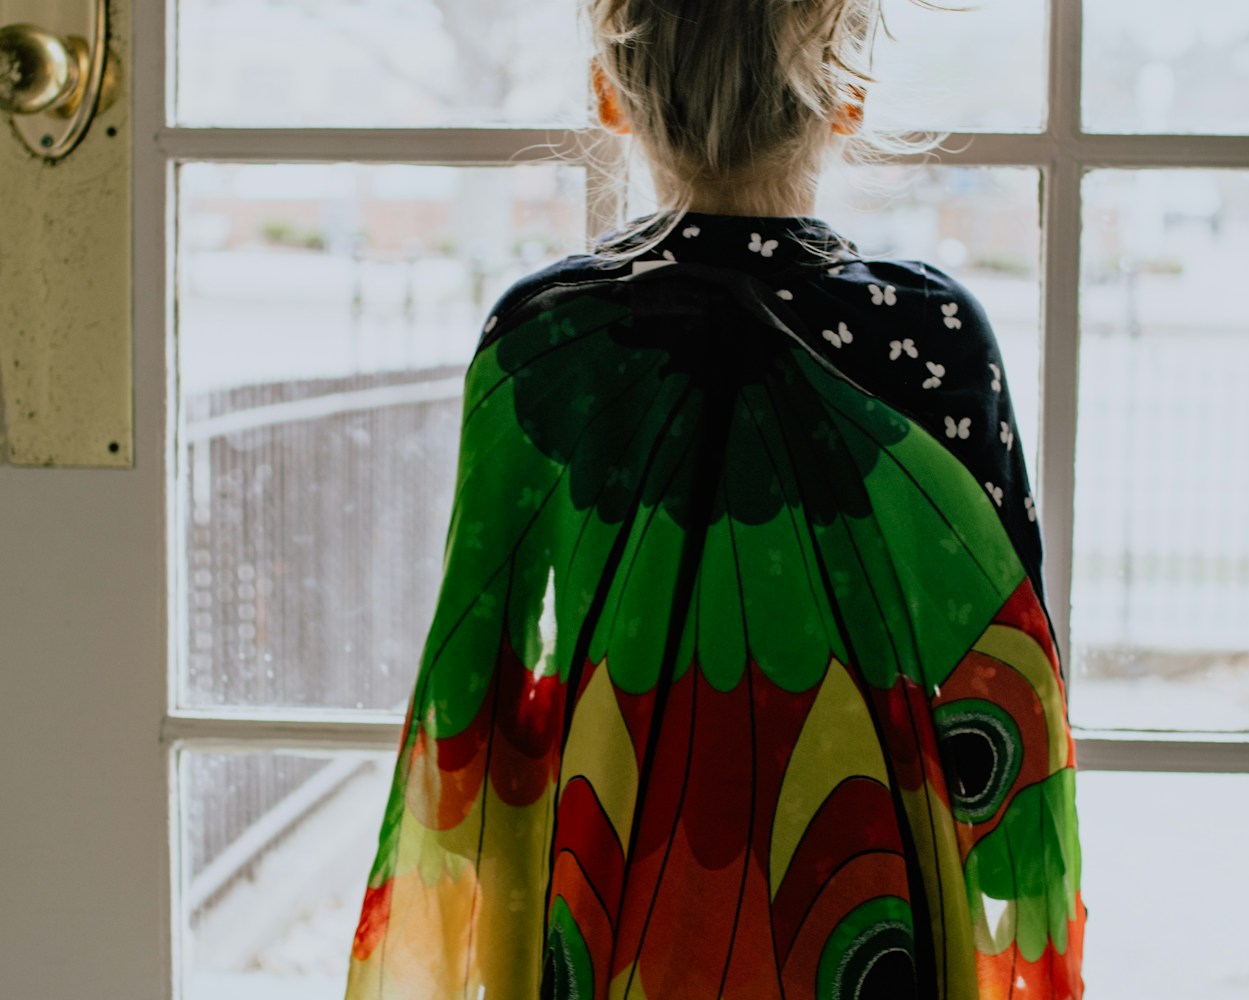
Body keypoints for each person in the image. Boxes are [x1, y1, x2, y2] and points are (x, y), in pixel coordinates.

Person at [344, 1, 1085, 997]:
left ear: (610, 95)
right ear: (847, 99)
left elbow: (477, 673)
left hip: (612, 850)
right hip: (863, 859)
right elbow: (1009, 658)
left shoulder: (542, 336)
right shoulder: (931, 328)